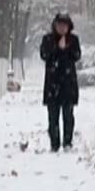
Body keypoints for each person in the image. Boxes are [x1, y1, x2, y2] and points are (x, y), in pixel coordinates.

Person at [39, 14, 82, 152]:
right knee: (53, 116)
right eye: (59, 25)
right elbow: (44, 55)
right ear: (55, 25)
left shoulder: (73, 40)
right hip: (53, 83)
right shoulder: (48, 39)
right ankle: (54, 142)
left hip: (68, 84)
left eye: (65, 25)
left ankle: (68, 142)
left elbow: (76, 55)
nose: (62, 28)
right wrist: (57, 48)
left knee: (68, 115)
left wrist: (66, 48)